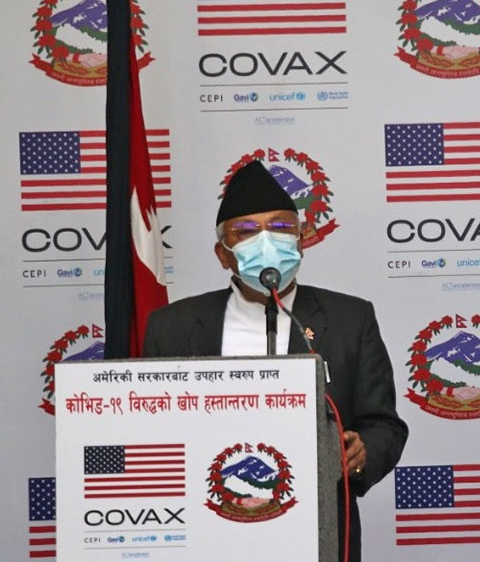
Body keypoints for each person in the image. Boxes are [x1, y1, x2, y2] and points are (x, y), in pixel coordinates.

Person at [143, 160, 408, 562]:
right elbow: (150, 432)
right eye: (247, 231)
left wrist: (362, 452)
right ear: (223, 254)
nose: (266, 240)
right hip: (205, 530)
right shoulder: (172, 326)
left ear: (300, 241)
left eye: (281, 227)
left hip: (316, 528)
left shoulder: (350, 319)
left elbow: (383, 424)